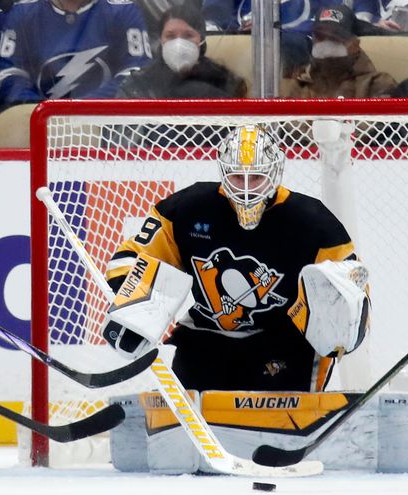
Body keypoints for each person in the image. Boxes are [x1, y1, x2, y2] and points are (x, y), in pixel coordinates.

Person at [104, 126, 369, 393]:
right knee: (186, 419)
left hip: (283, 343)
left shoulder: (314, 223)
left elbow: (354, 294)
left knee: (276, 426)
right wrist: (132, 307)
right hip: (207, 339)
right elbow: (131, 258)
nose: (245, 189)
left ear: (274, 172)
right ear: (223, 172)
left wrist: (341, 324)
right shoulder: (186, 209)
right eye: (236, 177)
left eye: (255, 177)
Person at [0, 0, 150, 108]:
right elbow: (9, 74)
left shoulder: (123, 11)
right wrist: (40, 109)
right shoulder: (23, 13)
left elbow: (136, 71)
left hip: (108, 124)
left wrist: (90, 107)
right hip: (38, 122)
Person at [117, 4, 247, 99]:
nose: (178, 43)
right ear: (161, 40)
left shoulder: (225, 85)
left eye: (188, 36)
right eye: (170, 36)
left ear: (201, 40)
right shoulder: (138, 86)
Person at [280, 5, 397, 98]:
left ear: (354, 45)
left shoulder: (376, 85)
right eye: (320, 36)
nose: (325, 42)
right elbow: (265, 128)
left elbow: (375, 127)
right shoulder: (294, 88)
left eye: (335, 37)